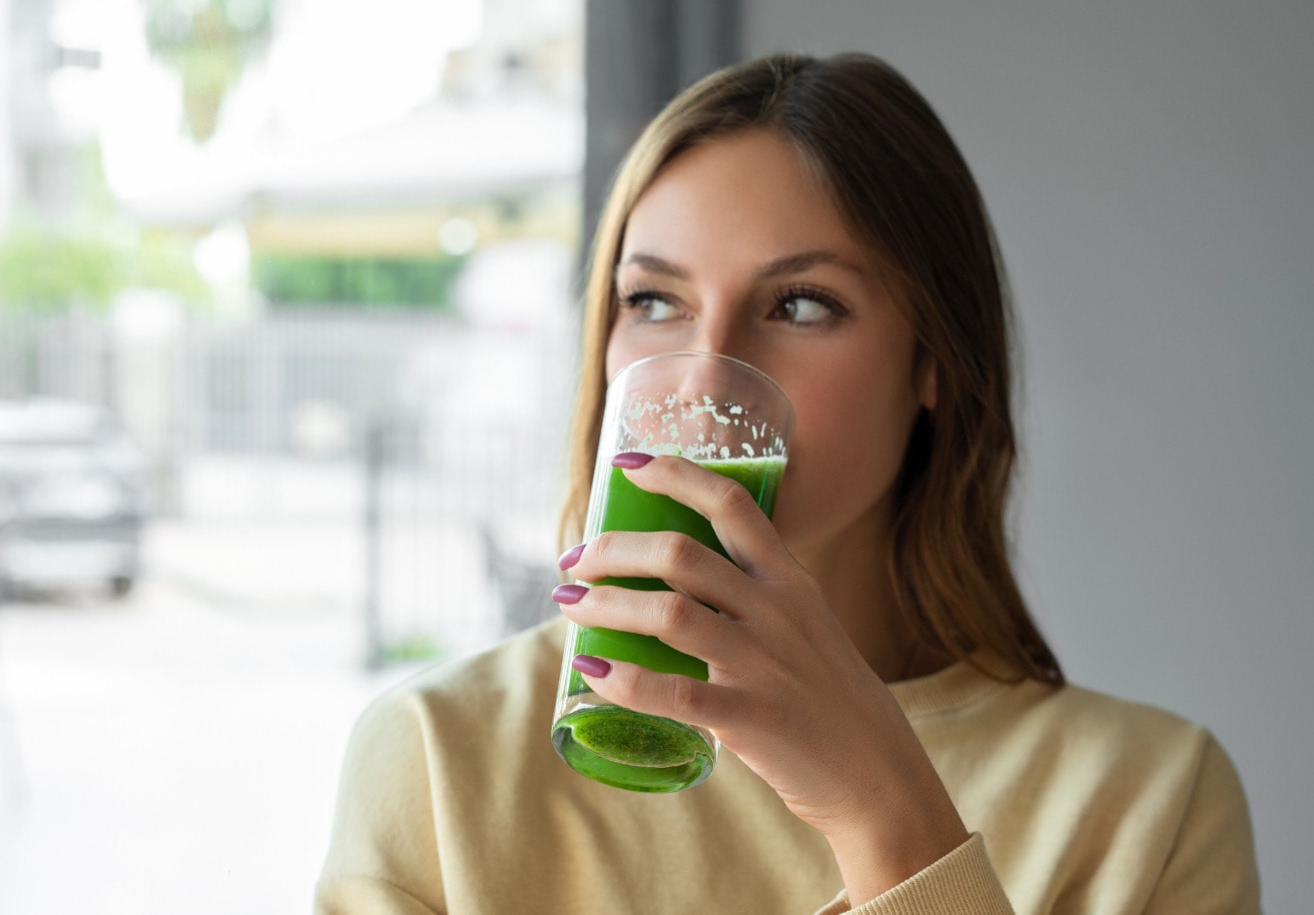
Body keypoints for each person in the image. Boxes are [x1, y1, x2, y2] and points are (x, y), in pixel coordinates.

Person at [315, 52, 1261, 914]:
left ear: (933, 362)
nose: (701, 374)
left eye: (799, 305)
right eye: (652, 301)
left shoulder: (1152, 802)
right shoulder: (438, 761)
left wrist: (884, 814)